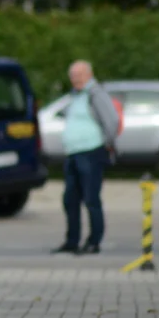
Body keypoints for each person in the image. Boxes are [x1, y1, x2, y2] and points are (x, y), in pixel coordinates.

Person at [51, 60, 119, 255]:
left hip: (91, 152)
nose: (75, 79)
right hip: (73, 153)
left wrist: (106, 144)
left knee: (91, 198)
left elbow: (111, 120)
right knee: (70, 199)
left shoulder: (95, 94)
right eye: (73, 76)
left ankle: (94, 241)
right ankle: (72, 240)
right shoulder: (75, 96)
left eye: (79, 75)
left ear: (89, 74)